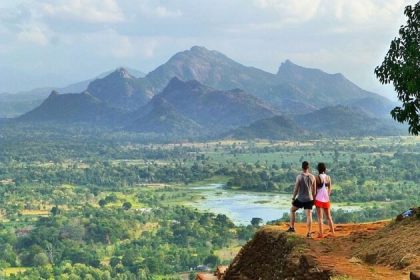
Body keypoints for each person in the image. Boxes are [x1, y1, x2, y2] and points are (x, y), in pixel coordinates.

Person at [287, 161, 316, 238]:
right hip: (309, 199)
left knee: (292, 210)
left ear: (302, 167)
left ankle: (292, 228)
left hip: (300, 199)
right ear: (308, 167)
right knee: (309, 215)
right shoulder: (313, 177)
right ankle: (309, 233)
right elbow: (314, 191)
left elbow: (296, 189)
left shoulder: (299, 177)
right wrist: (314, 200)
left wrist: (293, 198)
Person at [314, 162, 335, 238]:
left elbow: (315, 190)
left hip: (318, 198)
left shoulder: (316, 178)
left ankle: (321, 234)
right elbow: (330, 188)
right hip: (326, 198)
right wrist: (327, 195)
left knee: (320, 217)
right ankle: (332, 232)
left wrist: (314, 198)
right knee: (329, 216)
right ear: (325, 169)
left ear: (318, 169)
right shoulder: (328, 177)